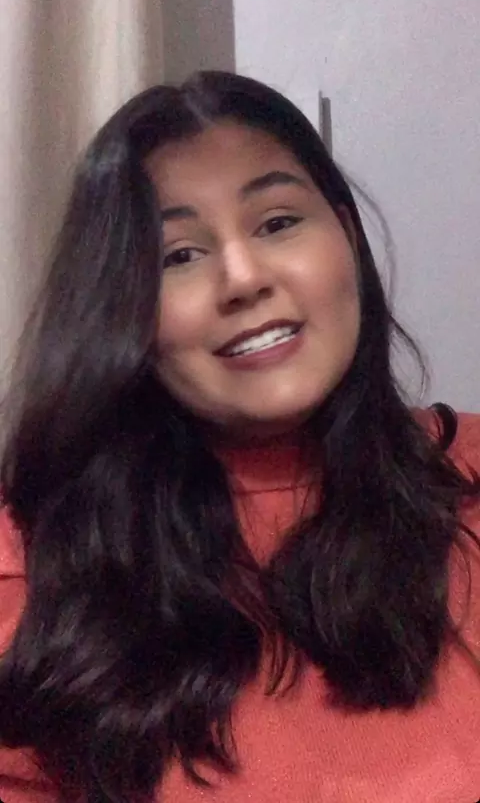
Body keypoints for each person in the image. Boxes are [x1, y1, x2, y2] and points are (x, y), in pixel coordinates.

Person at [0, 71, 479, 803]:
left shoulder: (465, 477)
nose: (244, 278)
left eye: (277, 223)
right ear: (121, 309)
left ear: (347, 235)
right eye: (178, 255)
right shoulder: (32, 564)